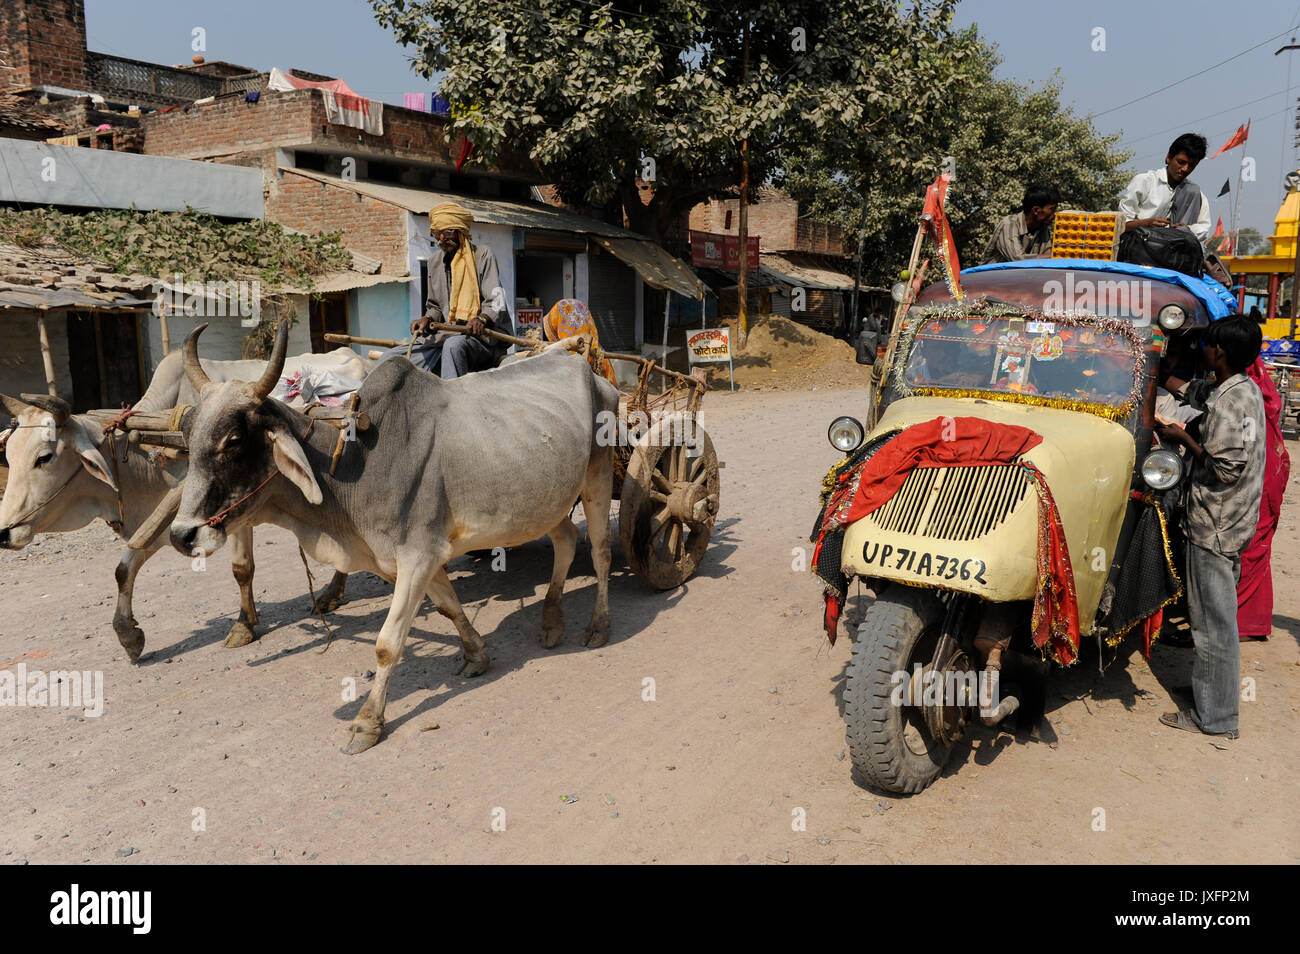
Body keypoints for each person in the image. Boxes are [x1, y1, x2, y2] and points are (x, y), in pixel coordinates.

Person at [1156, 316, 1266, 739]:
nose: (1204, 350)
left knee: (1212, 626)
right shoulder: (1246, 390)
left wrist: (1184, 440)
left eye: (1208, 345)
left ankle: (1216, 718)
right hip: (1235, 522)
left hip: (1215, 525)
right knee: (1216, 620)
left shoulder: (1229, 400)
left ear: (1219, 352)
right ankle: (1210, 694)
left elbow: (1224, 468)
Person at [386, 201, 512, 378]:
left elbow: (496, 302)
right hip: (445, 334)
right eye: (437, 234)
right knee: (391, 357)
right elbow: (435, 307)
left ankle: (453, 403)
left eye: (448, 232)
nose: (442, 239)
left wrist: (481, 319)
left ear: (461, 231)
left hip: (484, 338)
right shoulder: (434, 262)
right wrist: (426, 318)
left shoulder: (483, 255)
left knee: (453, 346)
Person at [1236, 356, 1291, 640]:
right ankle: (1252, 622)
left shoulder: (1247, 396)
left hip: (1259, 480)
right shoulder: (1262, 393)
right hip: (1270, 473)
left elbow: (1244, 445)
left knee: (1247, 550)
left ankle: (1240, 624)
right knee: (1256, 550)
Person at [1118, 133, 1211, 244]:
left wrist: (1187, 229)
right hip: (1139, 245)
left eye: (1191, 165)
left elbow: (1204, 228)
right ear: (1169, 158)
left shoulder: (1195, 194)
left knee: (1192, 191)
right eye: (1181, 162)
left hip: (1173, 249)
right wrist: (1147, 223)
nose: (1185, 169)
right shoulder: (1145, 181)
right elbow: (1121, 225)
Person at [983, 184, 1059, 263]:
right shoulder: (1009, 224)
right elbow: (1018, 259)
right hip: (994, 274)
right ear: (1036, 210)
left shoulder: (1043, 228)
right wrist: (1056, 256)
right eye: (1052, 209)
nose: (1056, 213)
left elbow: (1048, 256)